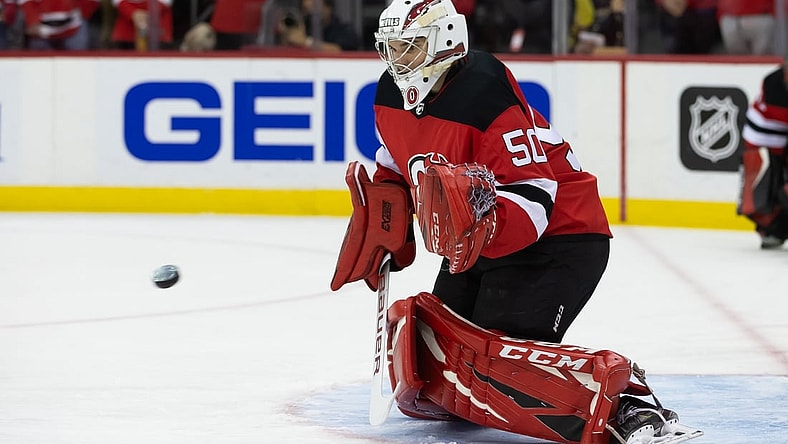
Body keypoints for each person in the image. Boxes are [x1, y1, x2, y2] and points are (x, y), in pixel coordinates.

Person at [330, 1, 702, 443]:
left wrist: (479, 228)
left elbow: (536, 197)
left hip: (560, 238)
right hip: (480, 242)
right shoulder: (390, 92)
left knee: (490, 367)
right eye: (390, 49)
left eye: (409, 48)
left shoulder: (485, 93)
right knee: (440, 350)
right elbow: (396, 156)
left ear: (446, 43)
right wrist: (387, 209)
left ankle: (629, 402)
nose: (397, 62)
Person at [737, 61, 788, 249]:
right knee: (765, 209)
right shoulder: (775, 88)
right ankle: (775, 225)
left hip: (773, 144)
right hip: (767, 146)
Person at [277, 0, 359, 52]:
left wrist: (306, 42)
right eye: (306, 9)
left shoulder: (344, 30)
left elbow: (338, 50)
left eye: (314, 6)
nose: (311, 12)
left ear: (328, 7)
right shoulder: (305, 26)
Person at [18, 0, 99, 50]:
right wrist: (32, 20)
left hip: (73, 28)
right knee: (39, 69)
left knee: (77, 66)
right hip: (41, 31)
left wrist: (86, 10)